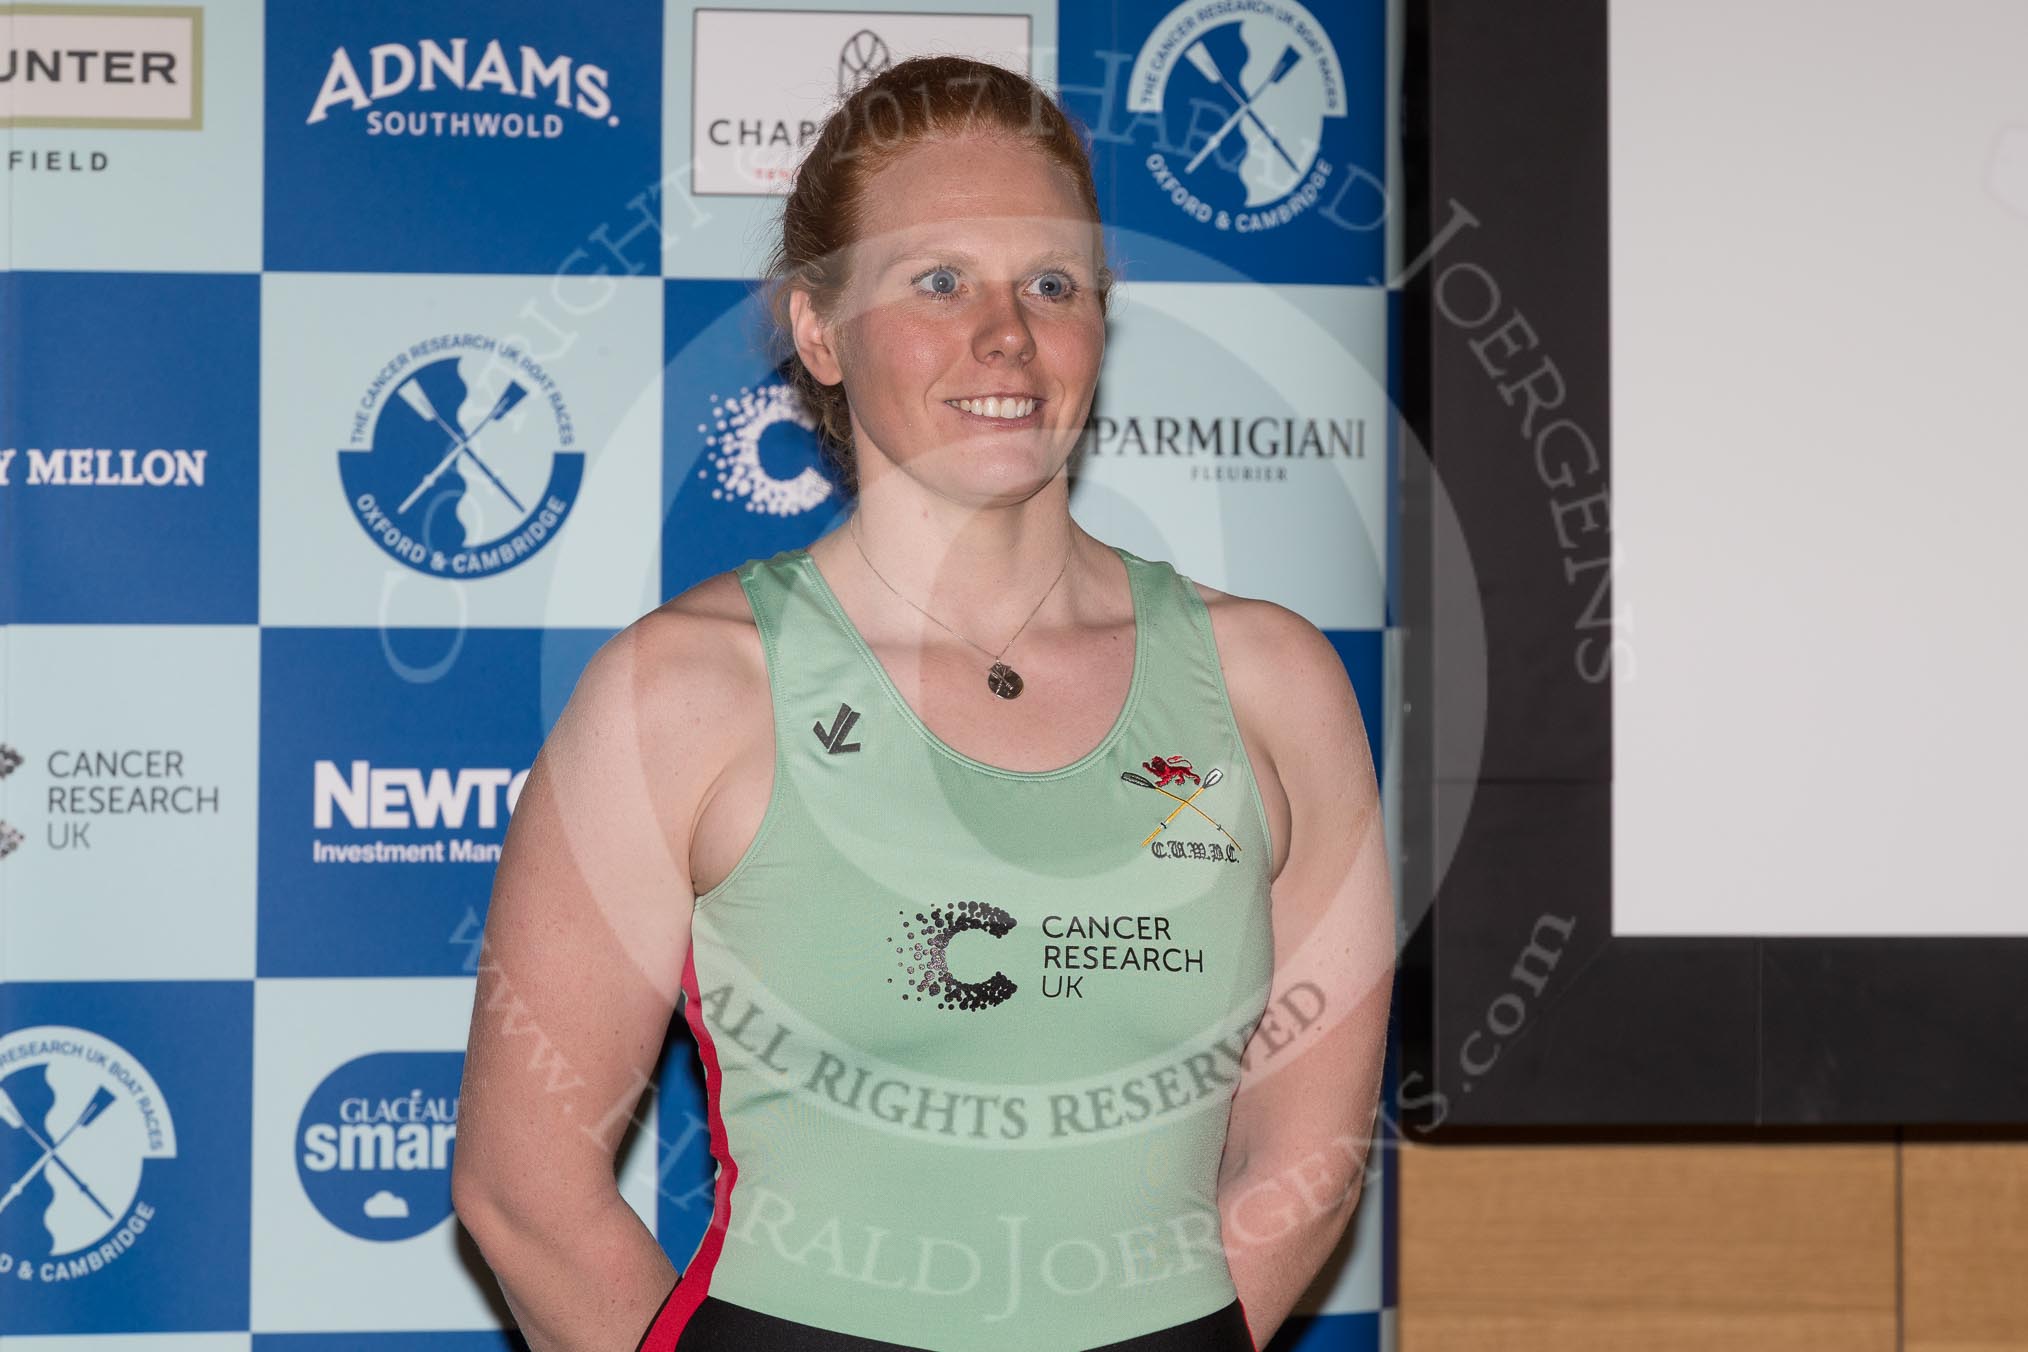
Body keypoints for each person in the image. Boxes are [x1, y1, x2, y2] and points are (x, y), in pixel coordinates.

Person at [451, 54, 1394, 1352]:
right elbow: (523, 1195)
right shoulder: (680, 692)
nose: (1006, 335)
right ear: (820, 331)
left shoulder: (1273, 683)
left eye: (1051, 284)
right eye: (938, 281)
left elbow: (1310, 1156)